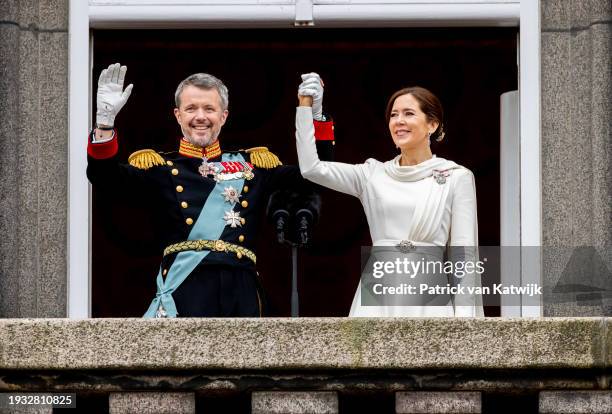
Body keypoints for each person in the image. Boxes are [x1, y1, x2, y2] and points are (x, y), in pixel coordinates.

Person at [87, 63, 334, 318]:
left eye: (209, 109)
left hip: (242, 290)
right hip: (185, 289)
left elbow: (316, 176)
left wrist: (315, 117)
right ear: (178, 115)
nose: (200, 116)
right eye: (191, 108)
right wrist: (105, 124)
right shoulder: (160, 168)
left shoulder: (253, 165)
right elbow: (105, 178)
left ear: (223, 116)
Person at [296, 76, 484, 317]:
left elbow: (464, 256)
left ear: (432, 125)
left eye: (408, 114)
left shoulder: (456, 177)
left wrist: (465, 323)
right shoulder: (373, 174)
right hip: (377, 295)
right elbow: (312, 168)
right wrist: (309, 110)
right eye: (394, 115)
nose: (399, 121)